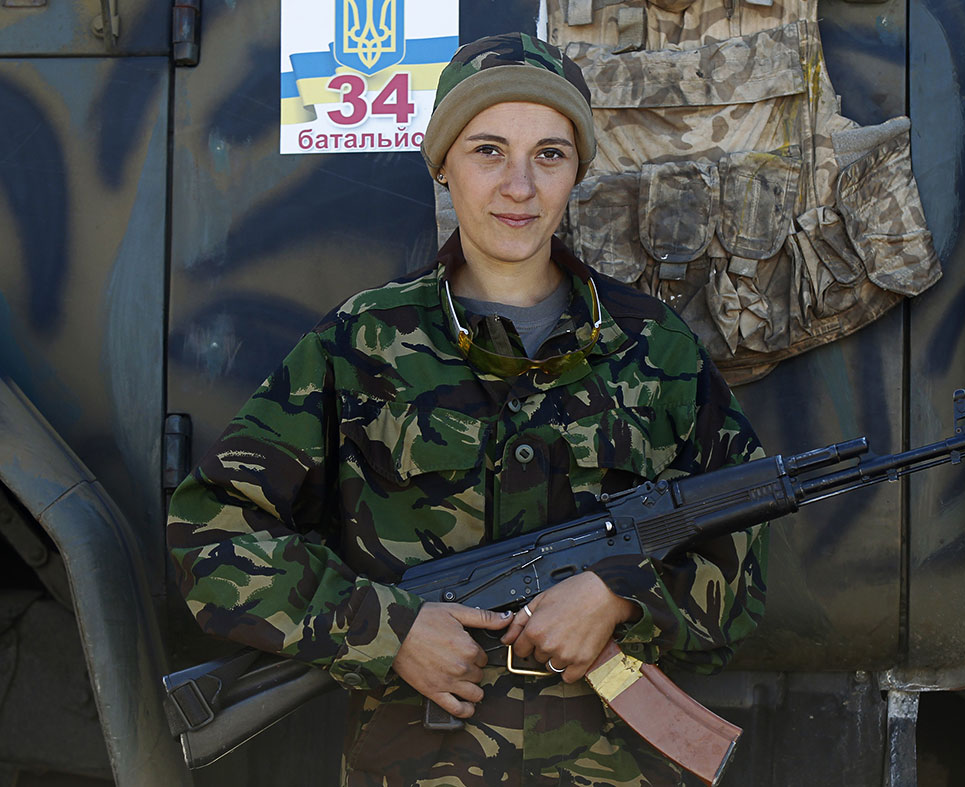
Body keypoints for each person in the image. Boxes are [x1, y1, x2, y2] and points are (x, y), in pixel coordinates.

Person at [167, 32, 768, 786]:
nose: (519, 185)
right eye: (489, 150)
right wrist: (389, 630)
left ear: (577, 171)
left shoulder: (655, 346)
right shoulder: (362, 342)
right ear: (443, 164)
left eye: (549, 154)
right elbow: (212, 531)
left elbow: (741, 551)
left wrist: (620, 597)